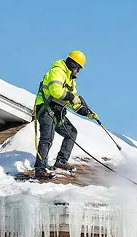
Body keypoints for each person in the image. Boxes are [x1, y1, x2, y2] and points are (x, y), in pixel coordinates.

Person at [33, 50, 99, 179]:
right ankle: (40, 169)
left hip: (57, 111)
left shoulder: (71, 81)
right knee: (47, 138)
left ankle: (61, 161)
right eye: (78, 67)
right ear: (72, 63)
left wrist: (86, 112)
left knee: (71, 133)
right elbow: (55, 90)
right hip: (46, 109)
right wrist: (70, 97)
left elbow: (72, 103)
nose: (78, 71)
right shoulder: (57, 71)